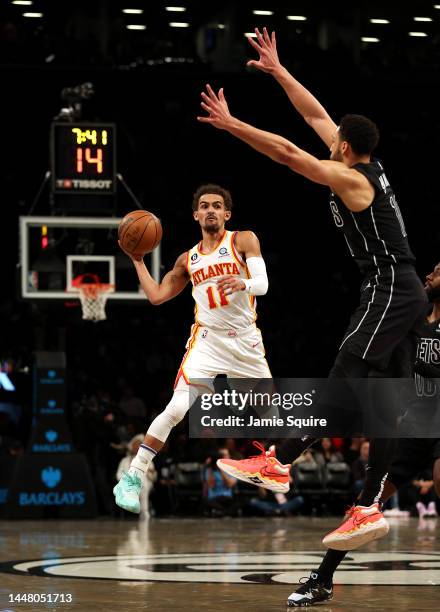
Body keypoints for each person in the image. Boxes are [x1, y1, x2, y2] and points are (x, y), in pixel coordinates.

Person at [200, 27, 427, 553]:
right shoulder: (360, 159)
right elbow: (312, 115)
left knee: (346, 372)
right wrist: (279, 70)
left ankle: (278, 462)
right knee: (382, 404)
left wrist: (233, 124)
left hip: (390, 284)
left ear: (345, 149)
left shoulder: (352, 179)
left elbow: (285, 152)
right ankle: (368, 507)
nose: (329, 140)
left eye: (335, 141)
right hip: (402, 289)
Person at [113, 184, 276, 514]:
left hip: (245, 341)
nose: (211, 210)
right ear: (196, 215)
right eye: (205, 206)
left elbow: (263, 285)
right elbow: (157, 296)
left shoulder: (243, 239)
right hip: (208, 341)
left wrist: (243, 283)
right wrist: (138, 261)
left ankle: (270, 466)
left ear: (226, 214)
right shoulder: (188, 259)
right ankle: (133, 476)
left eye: (217, 205)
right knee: (176, 410)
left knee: (272, 415)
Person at [286, 261, 440, 606]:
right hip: (410, 429)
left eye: (438, 272)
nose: (429, 275)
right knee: (364, 508)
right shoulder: (406, 319)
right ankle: (322, 580)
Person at [116, 434, 157, 518]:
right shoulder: (124, 460)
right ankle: (140, 509)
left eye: (139, 445)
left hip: (144, 485)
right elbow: (118, 474)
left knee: (142, 482)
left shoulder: (147, 460)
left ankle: (144, 511)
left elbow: (153, 477)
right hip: (128, 484)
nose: (136, 447)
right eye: (134, 445)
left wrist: (150, 472)